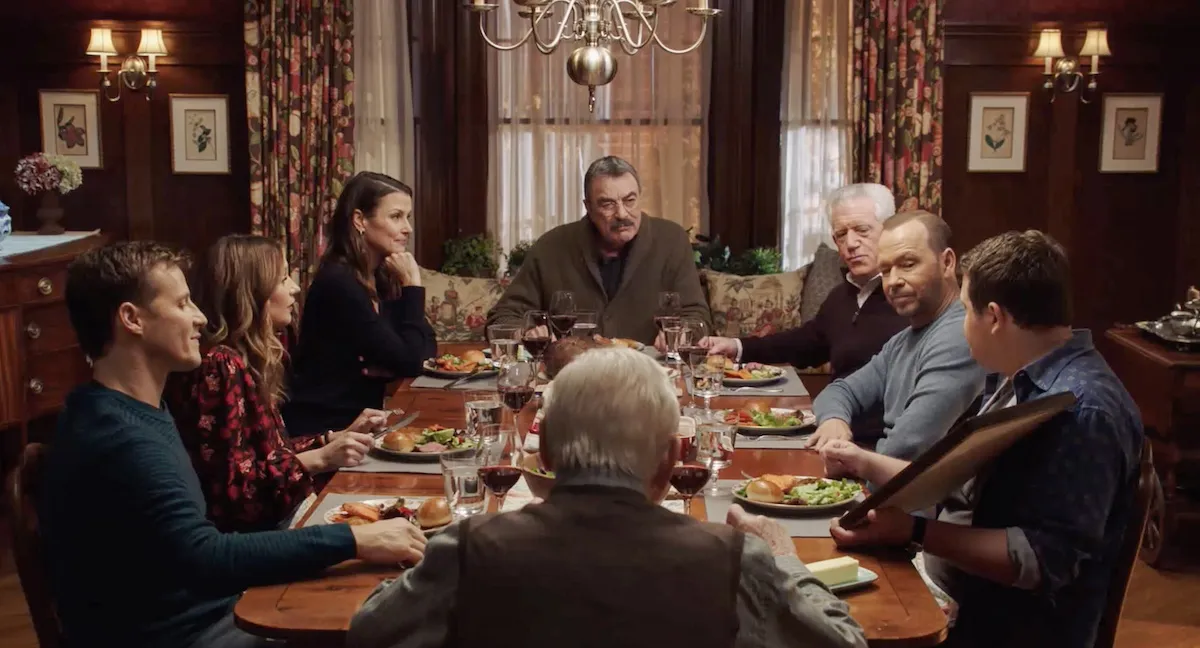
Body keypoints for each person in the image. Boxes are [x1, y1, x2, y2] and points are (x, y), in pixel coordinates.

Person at [345, 347, 872, 648]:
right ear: (671, 458)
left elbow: (368, 643)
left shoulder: (467, 548)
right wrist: (785, 559)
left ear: (544, 451)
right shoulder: (737, 560)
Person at [41, 241, 428, 648]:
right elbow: (206, 556)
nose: (200, 317)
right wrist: (354, 540)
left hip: (201, 620)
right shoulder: (121, 438)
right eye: (183, 303)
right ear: (132, 319)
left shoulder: (121, 408)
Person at [825, 231, 1143, 648]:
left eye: (966, 311)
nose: (961, 324)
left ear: (994, 316)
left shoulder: (1082, 409)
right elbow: (958, 479)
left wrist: (914, 530)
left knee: (828, 647)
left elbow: (1040, 558)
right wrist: (864, 462)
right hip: (965, 605)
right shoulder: (1018, 378)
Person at [166, 235, 390, 533]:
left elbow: (267, 454)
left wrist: (332, 438)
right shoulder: (219, 365)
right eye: (283, 279)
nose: (295, 288)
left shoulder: (240, 356)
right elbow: (233, 494)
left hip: (285, 513)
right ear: (251, 292)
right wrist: (320, 458)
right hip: (266, 533)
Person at [701, 183, 908, 444]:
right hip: (834, 431)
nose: (851, 244)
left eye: (862, 230)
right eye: (841, 235)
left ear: (890, 230)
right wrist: (737, 346)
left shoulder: (906, 299)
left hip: (876, 445)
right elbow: (804, 343)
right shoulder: (843, 297)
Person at [808, 210, 985, 461]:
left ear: (947, 262)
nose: (893, 281)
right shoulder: (903, 341)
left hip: (911, 495)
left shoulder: (961, 335)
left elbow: (907, 447)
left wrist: (852, 472)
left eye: (908, 264)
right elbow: (841, 390)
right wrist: (833, 420)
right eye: (886, 270)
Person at [486, 156, 712, 345]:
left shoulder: (671, 240)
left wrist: (684, 333)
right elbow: (502, 318)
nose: (622, 213)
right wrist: (526, 333)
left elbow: (697, 316)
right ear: (588, 207)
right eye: (608, 204)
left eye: (630, 200)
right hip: (572, 377)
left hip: (651, 375)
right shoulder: (551, 247)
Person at [283, 171, 437, 436]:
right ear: (359, 220)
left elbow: (427, 349)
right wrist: (413, 286)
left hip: (363, 423)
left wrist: (392, 363)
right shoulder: (339, 283)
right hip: (326, 430)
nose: (408, 228)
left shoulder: (381, 274)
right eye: (396, 216)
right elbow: (411, 360)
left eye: (407, 217)